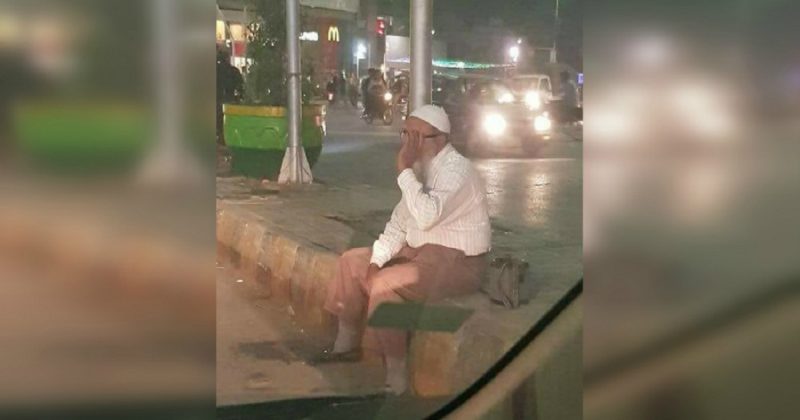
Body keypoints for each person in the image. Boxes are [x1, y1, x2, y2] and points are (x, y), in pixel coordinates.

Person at [322, 105, 492, 395]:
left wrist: (403, 171)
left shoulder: (458, 171)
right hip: (418, 253)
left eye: (416, 137)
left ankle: (396, 376)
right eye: (406, 135)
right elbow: (398, 225)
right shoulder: (420, 171)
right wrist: (376, 261)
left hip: (457, 261)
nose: (409, 145)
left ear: (439, 139)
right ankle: (345, 345)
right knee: (351, 263)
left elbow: (426, 215)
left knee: (385, 285)